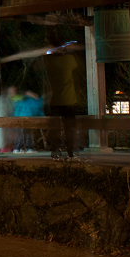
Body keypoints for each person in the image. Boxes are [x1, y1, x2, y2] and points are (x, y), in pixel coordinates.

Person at [44, 30, 82, 160]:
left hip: (54, 99)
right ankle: (71, 151)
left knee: (54, 128)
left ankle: (55, 151)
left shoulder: (48, 61)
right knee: (70, 128)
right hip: (69, 99)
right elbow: (76, 67)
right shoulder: (69, 59)